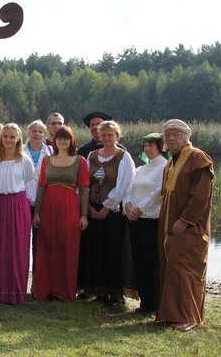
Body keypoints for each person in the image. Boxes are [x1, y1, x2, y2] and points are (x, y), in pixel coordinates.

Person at [156, 120, 213, 332]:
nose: (171, 138)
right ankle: (171, 314)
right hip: (169, 224)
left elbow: (201, 196)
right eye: (168, 135)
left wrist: (185, 220)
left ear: (186, 137)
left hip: (190, 227)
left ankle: (189, 317)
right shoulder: (171, 162)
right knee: (171, 267)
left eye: (176, 135)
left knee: (186, 268)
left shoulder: (198, 158)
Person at [31, 126, 89, 301]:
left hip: (70, 208)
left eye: (66, 138)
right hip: (48, 207)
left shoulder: (80, 161)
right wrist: (37, 212)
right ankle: (46, 289)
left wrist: (84, 215)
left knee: (67, 247)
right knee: (47, 246)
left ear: (71, 140)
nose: (62, 141)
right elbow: (41, 186)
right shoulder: (47, 160)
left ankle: (64, 290)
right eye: (59, 138)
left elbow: (84, 189)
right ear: (54, 140)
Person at [81, 120, 135, 305]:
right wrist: (88, 207)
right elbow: (84, 182)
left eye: (110, 135)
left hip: (113, 211)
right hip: (92, 208)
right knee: (95, 250)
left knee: (113, 250)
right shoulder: (92, 155)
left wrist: (106, 207)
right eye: (103, 135)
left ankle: (116, 294)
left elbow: (124, 185)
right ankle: (99, 291)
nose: (106, 138)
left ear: (117, 136)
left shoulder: (123, 157)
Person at [0, 123, 37, 305]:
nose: (8, 140)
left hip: (19, 204)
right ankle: (2, 292)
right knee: (1, 247)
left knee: (19, 247)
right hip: (1, 204)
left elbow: (30, 184)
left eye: (12, 136)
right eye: (5, 136)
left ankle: (17, 292)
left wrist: (32, 208)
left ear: (18, 138)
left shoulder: (24, 160)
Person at [124, 133, 167, 314]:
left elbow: (157, 192)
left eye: (151, 145)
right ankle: (145, 302)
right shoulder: (141, 169)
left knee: (150, 261)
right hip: (135, 220)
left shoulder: (165, 166)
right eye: (145, 146)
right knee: (138, 261)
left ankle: (153, 302)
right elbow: (129, 188)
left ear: (160, 147)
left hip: (151, 220)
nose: (148, 149)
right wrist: (127, 205)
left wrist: (139, 208)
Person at [23, 120, 53, 273]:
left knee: (39, 240)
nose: (37, 134)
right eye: (33, 131)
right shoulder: (19, 150)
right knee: (22, 240)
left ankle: (37, 275)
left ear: (45, 134)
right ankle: (22, 274)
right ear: (28, 133)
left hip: (43, 201)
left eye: (40, 131)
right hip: (23, 200)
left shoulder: (50, 151)